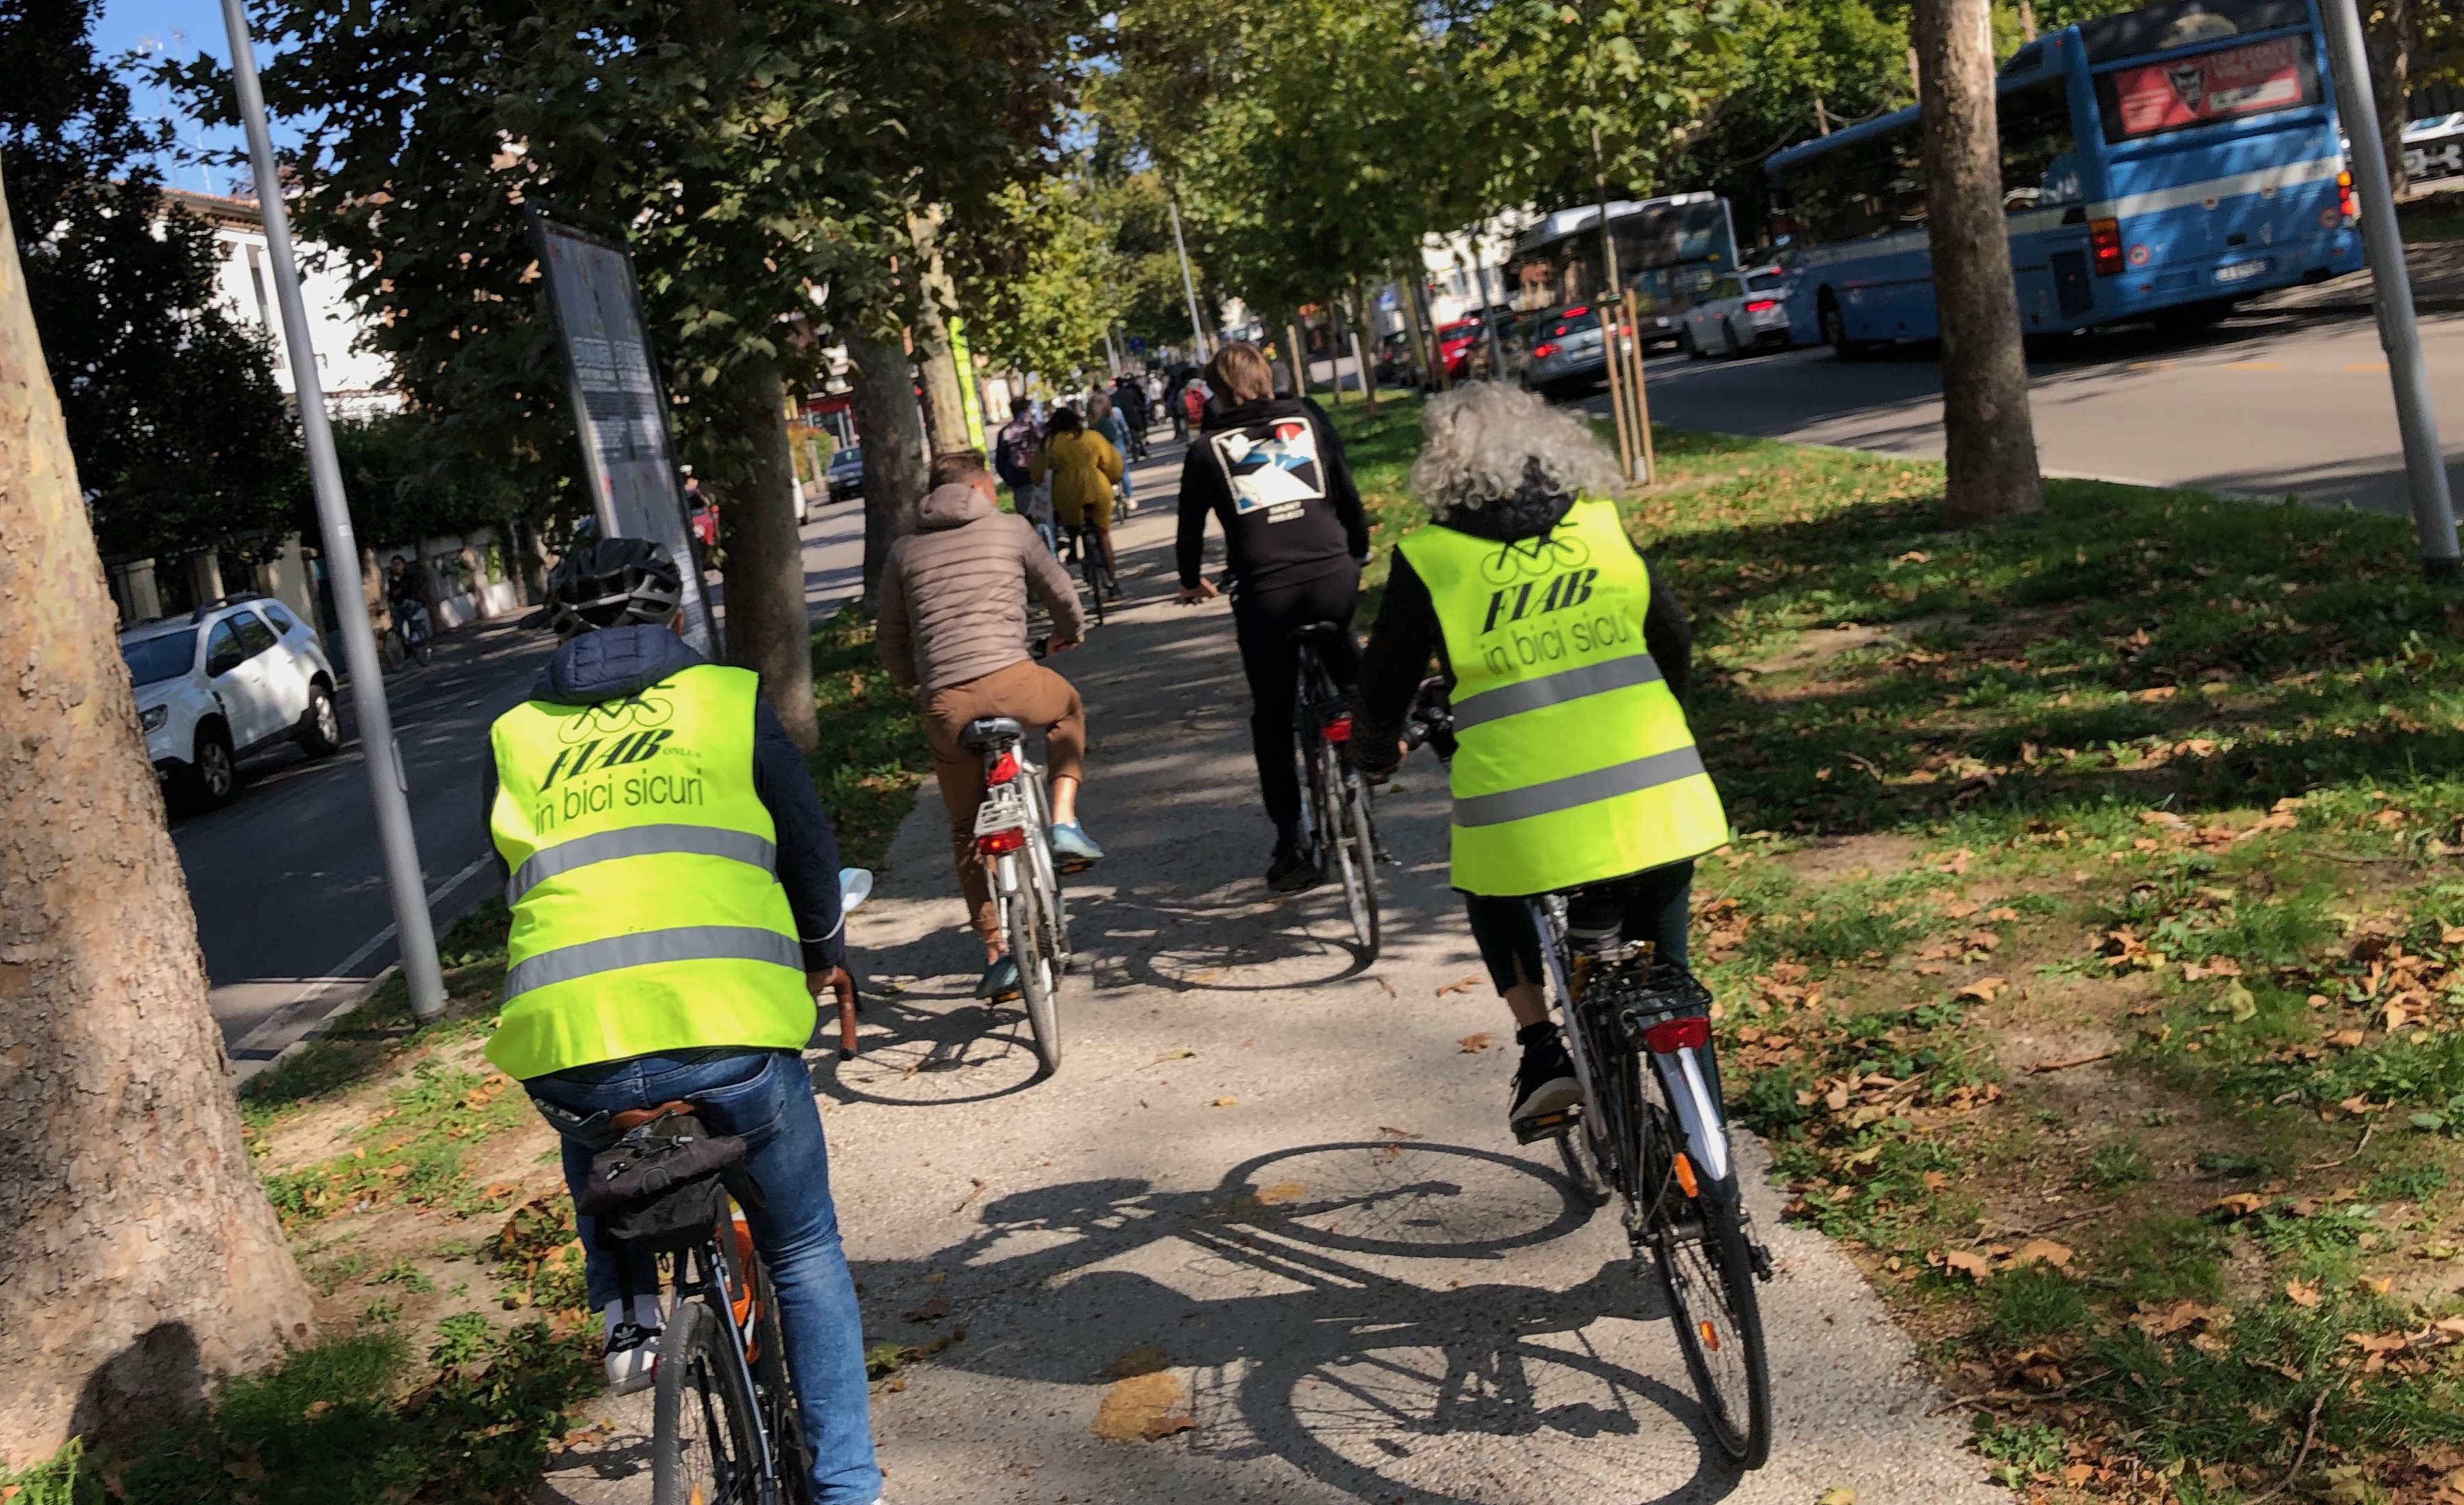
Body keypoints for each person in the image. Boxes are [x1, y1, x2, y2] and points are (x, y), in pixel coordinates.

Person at [480, 537, 882, 1504]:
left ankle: (625, 1304)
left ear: (564, 632)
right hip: (731, 1031)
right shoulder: (726, 700)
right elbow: (805, 843)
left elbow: (516, 884)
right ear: (674, 623)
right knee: (801, 1248)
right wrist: (824, 948)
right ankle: (847, 1489)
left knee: (592, 1092)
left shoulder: (515, 731)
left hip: (568, 1033)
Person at [1348, 383, 1726, 1137]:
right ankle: (1707, 1140)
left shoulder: (1434, 558)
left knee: (1491, 888)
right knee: (1671, 972)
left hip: (1524, 816)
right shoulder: (1601, 526)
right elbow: (1673, 638)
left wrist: (1375, 754)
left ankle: (1541, 1045)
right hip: (1660, 787)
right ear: (1549, 446)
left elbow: (1385, 682)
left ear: (1442, 468)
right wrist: (1665, 723)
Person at [876, 452, 1104, 999]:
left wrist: (918, 680)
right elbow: (1061, 596)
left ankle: (999, 952)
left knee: (965, 828)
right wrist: (1067, 634)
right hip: (1016, 682)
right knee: (1067, 707)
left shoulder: (904, 551)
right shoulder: (1012, 527)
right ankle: (1065, 822)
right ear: (980, 486)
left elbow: (891, 638)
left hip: (947, 703)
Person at [1172, 341, 1371, 891]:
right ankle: (1366, 761)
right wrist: (1357, 549)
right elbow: (1346, 491)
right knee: (1349, 671)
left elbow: (1189, 531)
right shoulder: (1307, 418)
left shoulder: (1208, 450)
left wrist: (1191, 581)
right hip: (1333, 578)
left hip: (1267, 596)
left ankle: (1291, 839)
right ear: (1269, 377)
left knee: (1273, 716)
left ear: (1213, 392)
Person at [1031, 406, 1125, 596]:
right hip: (1098, 489)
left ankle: (1073, 549)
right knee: (1104, 535)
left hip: (1067, 492)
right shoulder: (1092, 437)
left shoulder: (1050, 444)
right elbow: (1113, 462)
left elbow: (1038, 474)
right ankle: (1114, 583)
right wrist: (1113, 478)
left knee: (1070, 521)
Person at [993, 396, 1056, 551]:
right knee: (1047, 517)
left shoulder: (1006, 433)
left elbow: (1000, 462)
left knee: (1026, 524)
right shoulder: (1040, 427)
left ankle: (1033, 554)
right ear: (1028, 409)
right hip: (1042, 477)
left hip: (1020, 480)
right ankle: (1053, 548)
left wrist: (1010, 480)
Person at [1090, 392, 1138, 514]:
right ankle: (1130, 497)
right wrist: (1129, 442)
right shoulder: (1115, 412)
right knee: (1124, 472)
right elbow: (1124, 428)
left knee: (1102, 476)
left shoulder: (1092, 420)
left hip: (1100, 453)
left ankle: (1108, 499)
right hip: (1117, 449)